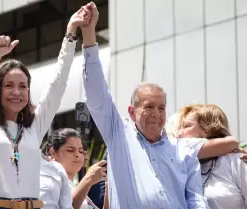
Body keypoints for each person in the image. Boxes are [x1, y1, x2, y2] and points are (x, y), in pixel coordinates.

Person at [0, 0, 91, 207]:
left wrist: (70, 34)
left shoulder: (34, 127)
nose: (16, 92)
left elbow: (58, 83)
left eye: (23, 86)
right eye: (9, 85)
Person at [81, 2, 209, 208]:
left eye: (161, 108)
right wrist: (89, 36)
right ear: (132, 112)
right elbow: (97, 94)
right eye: (149, 107)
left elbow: (195, 198)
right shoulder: (119, 136)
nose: (156, 114)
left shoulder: (183, 150)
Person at [41, 128, 106, 209]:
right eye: (70, 150)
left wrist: (108, 186)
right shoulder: (49, 182)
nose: (77, 155)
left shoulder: (73, 187)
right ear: (53, 152)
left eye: (81, 151)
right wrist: (88, 179)